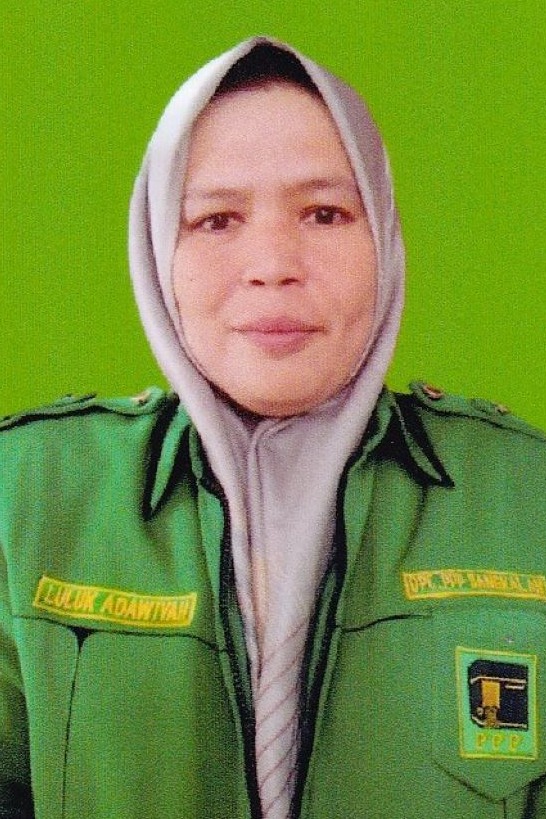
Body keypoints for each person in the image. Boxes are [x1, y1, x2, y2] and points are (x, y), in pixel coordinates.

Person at [1, 35, 545, 819]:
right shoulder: (24, 499)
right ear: (156, 247)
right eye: (216, 219)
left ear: (384, 235)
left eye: (324, 213)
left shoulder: (527, 493)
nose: (273, 263)